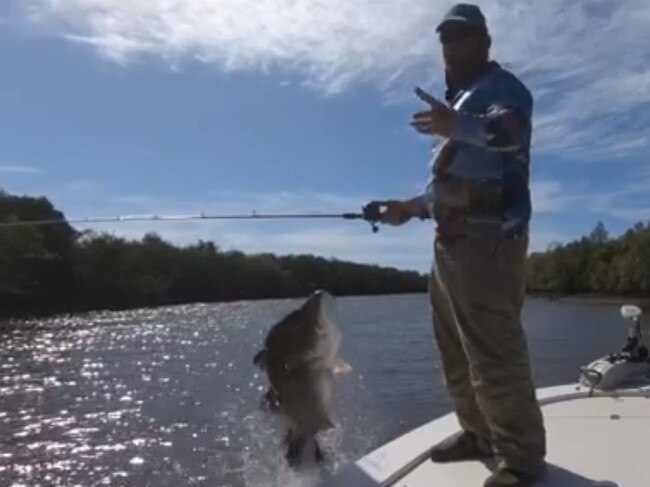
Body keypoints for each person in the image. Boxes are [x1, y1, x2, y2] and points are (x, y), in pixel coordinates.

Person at [364, 4, 547, 486]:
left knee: (494, 351)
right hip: (451, 247)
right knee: (456, 351)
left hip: (489, 247)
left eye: (462, 35)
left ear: (485, 42)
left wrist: (455, 125)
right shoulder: (460, 101)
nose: (451, 44)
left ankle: (523, 460)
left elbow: (509, 135)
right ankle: (479, 433)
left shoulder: (503, 90)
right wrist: (407, 207)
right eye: (444, 37)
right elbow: (450, 188)